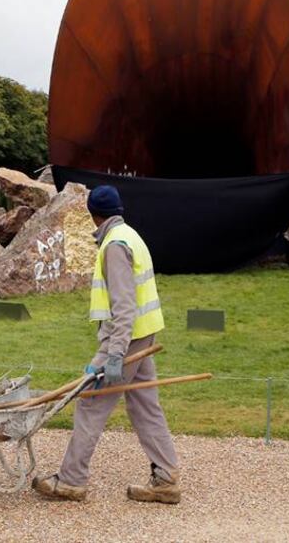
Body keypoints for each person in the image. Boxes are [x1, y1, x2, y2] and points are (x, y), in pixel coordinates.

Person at [32, 185, 181, 504]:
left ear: (92, 214)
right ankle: (166, 478)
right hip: (143, 334)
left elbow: (124, 306)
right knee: (144, 406)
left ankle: (71, 481)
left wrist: (114, 357)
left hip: (124, 340)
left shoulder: (114, 246)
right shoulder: (130, 235)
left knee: (90, 403)